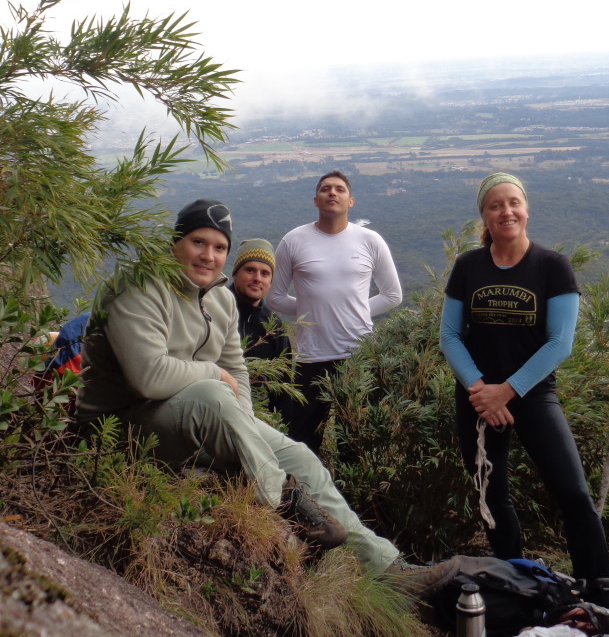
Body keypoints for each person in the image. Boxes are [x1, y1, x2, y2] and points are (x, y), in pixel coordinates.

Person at [74, 198, 461, 596]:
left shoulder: (219, 299)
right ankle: (283, 501)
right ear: (176, 242)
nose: (209, 255)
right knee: (212, 391)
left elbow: (236, 370)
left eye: (219, 247)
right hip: (119, 426)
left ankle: (388, 569)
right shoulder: (138, 286)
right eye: (198, 242)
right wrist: (214, 375)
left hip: (190, 415)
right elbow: (149, 377)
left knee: (301, 456)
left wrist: (240, 421)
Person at [438, 172, 609, 613]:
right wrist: (482, 390)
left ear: (527, 208)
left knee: (573, 492)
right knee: (493, 494)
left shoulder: (551, 265)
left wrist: (508, 391)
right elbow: (450, 335)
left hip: (533, 394)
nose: (506, 212)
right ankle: (514, 583)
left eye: (513, 202)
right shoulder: (469, 266)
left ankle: (602, 588)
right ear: (483, 214)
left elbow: (560, 343)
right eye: (495, 205)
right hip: (477, 397)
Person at [267, 171, 403, 453]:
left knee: (355, 443)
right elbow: (275, 297)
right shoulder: (293, 240)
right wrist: (311, 310)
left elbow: (392, 295)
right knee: (303, 442)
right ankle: (301, 496)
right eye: (326, 189)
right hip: (311, 358)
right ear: (315, 199)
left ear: (350, 200)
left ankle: (354, 498)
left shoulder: (370, 240)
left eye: (340, 189)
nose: (332, 193)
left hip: (358, 357)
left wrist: (353, 311)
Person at [229, 238, 291, 364]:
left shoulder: (274, 327)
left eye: (265, 273)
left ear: (270, 281)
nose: (257, 278)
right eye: (250, 270)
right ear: (235, 273)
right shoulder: (213, 311)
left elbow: (284, 378)